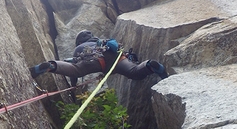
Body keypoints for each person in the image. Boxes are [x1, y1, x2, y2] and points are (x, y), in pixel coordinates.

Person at [29, 30, 168, 87]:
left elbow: (75, 70)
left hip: (93, 59)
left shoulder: (79, 48)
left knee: (75, 69)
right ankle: (151, 65)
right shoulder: (103, 41)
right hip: (115, 58)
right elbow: (126, 54)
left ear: (78, 42)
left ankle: (51, 66)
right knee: (135, 72)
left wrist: (73, 85)